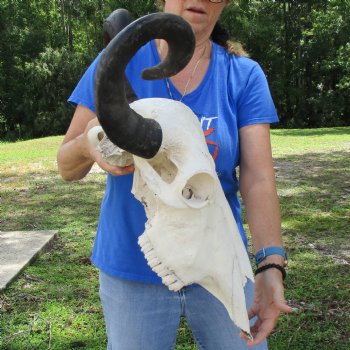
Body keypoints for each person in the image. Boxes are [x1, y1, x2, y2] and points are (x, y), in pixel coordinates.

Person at [57, 1, 292, 349]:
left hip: (220, 259)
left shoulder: (243, 75)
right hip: (131, 269)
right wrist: (89, 144)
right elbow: (66, 165)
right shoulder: (117, 62)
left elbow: (257, 177)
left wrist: (270, 264)